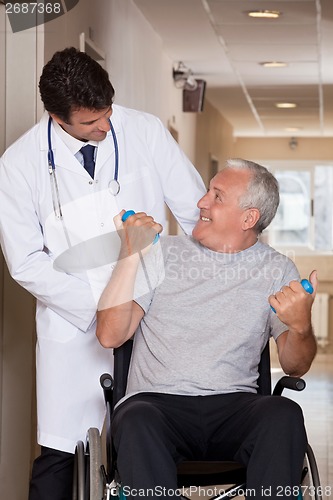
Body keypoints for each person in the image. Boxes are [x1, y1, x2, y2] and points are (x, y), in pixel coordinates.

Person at [0, 47, 206, 500]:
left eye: (108, 113)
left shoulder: (145, 131)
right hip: (74, 326)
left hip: (149, 314)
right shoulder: (19, 166)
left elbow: (196, 213)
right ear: (57, 117)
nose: (106, 127)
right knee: (60, 454)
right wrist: (98, 307)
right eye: (91, 122)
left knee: (144, 443)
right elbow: (25, 261)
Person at [96, 158, 318, 500]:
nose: (201, 202)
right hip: (156, 406)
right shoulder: (162, 253)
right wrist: (129, 254)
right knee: (137, 418)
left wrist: (302, 327)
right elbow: (110, 335)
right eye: (207, 192)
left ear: (249, 218)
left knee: (284, 413)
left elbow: (294, 365)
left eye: (217, 196)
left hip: (235, 409)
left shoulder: (277, 268)